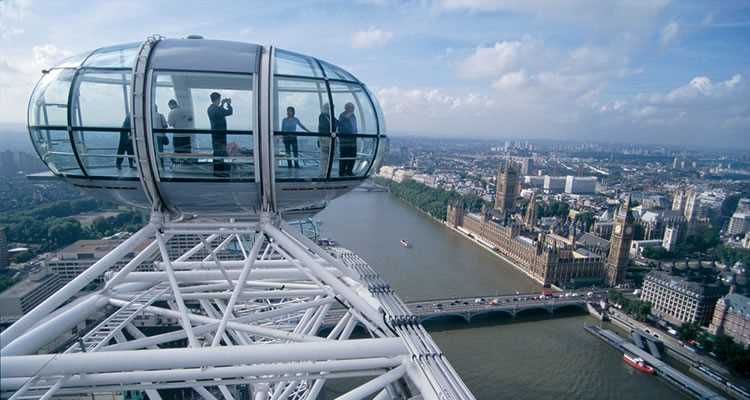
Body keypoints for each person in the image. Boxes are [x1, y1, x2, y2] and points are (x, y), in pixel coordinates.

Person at [207, 92, 232, 177]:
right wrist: (228, 104)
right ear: (217, 99)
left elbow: (220, 112)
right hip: (221, 136)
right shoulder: (217, 109)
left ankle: (216, 173)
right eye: (219, 99)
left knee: (217, 154)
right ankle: (220, 174)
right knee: (220, 154)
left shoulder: (210, 109)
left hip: (215, 135)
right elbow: (229, 112)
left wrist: (222, 104)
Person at [338, 102, 357, 176]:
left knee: (352, 156)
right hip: (345, 141)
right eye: (352, 108)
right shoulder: (342, 116)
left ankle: (349, 171)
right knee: (344, 156)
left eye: (353, 108)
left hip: (353, 141)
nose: (353, 109)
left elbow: (354, 127)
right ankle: (342, 172)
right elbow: (342, 126)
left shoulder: (353, 116)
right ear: (347, 108)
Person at [317, 103, 335, 177]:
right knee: (324, 157)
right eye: (330, 108)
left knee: (328, 157)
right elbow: (324, 127)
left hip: (328, 139)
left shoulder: (329, 117)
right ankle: (323, 173)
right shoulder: (323, 116)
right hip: (325, 139)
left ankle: (326, 172)